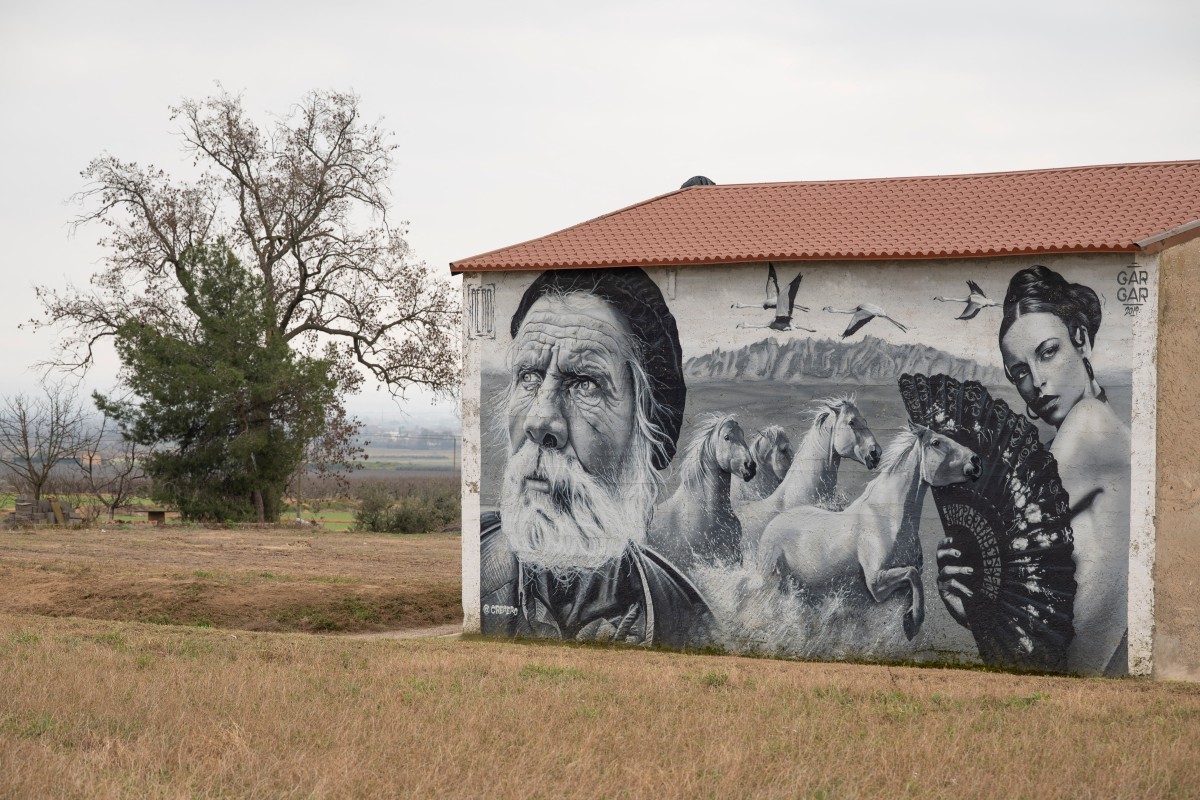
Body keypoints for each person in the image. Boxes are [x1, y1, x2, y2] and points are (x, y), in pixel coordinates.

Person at [479, 267, 713, 649]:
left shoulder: (686, 619)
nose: (540, 421)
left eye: (584, 383)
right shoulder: (481, 562)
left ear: (646, 427)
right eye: (529, 376)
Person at [944, 265, 1130, 674]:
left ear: (1079, 339)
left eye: (1047, 352)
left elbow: (1005, 535)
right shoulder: (1085, 434)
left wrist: (968, 563)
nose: (1038, 383)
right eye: (1021, 373)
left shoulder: (1090, 425)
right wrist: (972, 600)